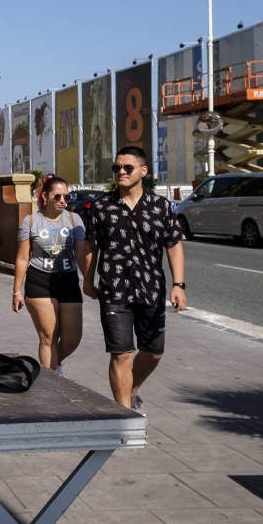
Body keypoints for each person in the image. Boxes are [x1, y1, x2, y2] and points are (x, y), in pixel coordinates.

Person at [81, 146, 186, 412]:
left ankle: (132, 388)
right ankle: (124, 413)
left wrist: (178, 285)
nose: (121, 172)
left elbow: (173, 245)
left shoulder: (160, 207)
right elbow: (90, 246)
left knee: (153, 352)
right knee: (122, 353)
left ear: (143, 171)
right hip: (114, 290)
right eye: (117, 167)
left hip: (151, 289)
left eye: (128, 168)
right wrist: (87, 279)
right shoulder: (102, 206)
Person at [12, 174, 86, 376]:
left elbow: (81, 255)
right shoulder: (31, 221)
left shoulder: (74, 219)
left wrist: (89, 280)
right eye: (57, 197)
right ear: (45, 196)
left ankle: (53, 365)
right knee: (48, 336)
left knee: (72, 338)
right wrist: (16, 291)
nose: (63, 201)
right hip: (39, 281)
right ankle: (51, 380)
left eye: (66, 197)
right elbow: (22, 258)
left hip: (68, 280)